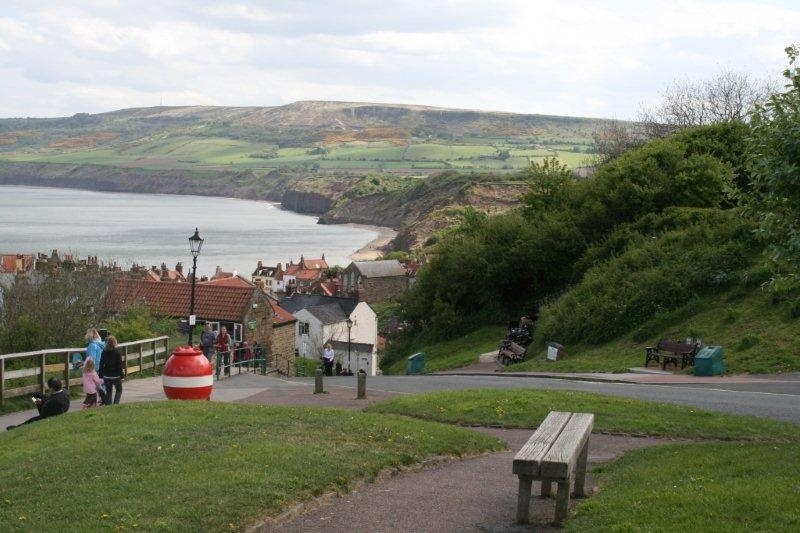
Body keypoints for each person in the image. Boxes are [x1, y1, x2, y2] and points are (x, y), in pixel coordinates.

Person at [99, 335, 125, 404]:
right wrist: (122, 375)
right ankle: (116, 404)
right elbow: (119, 365)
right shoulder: (117, 353)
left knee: (108, 391)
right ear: (115, 342)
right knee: (119, 390)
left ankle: (109, 405)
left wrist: (100, 375)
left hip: (106, 375)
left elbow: (101, 364)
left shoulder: (104, 352)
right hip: (116, 375)